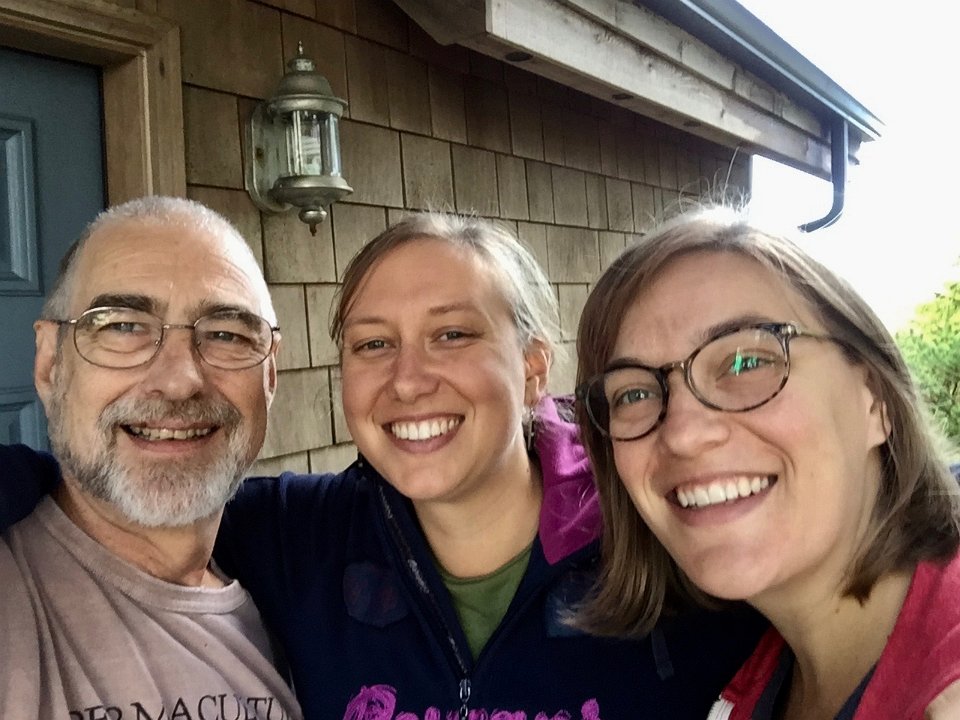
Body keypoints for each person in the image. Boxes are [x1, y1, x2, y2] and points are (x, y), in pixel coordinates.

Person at [3, 210, 765, 719]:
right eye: (373, 344)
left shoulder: (659, 540)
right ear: (48, 361)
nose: (408, 380)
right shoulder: (301, 539)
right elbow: (131, 490)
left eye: (452, 335)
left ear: (534, 368)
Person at [573, 206, 960, 720]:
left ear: (876, 402)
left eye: (747, 361)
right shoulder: (753, 681)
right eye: (634, 393)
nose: (684, 434)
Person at [0, 197, 302, 719]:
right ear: (50, 364)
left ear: (269, 376)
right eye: (122, 326)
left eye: (226, 334)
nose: (180, 380)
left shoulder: (311, 600)